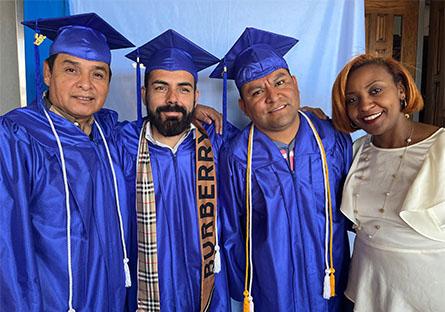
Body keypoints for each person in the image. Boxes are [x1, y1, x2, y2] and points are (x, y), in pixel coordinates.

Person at [0, 13, 137, 311]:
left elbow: (163, 133)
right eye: (71, 70)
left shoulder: (111, 134)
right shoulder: (16, 138)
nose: (86, 85)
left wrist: (193, 110)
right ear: (48, 74)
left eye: (98, 73)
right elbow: (7, 247)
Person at [211, 27, 352, 311]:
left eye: (280, 82)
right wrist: (249, 284)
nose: (273, 97)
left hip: (332, 278)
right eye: (256, 91)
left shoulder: (332, 139)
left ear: (295, 84)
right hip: (271, 288)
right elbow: (230, 231)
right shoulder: (236, 156)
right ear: (243, 105)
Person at [120, 29, 238, 311]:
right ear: (144, 92)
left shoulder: (221, 143)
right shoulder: (119, 143)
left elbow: (272, 130)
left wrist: (309, 115)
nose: (172, 99)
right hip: (145, 292)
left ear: (196, 96)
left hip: (207, 291)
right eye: (161, 87)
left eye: (183, 89)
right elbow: (75, 122)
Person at [331, 54, 445, 311]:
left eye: (376, 90)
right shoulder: (356, 151)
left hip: (428, 294)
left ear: (401, 91)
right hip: (365, 289)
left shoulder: (441, 148)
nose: (365, 105)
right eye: (352, 99)